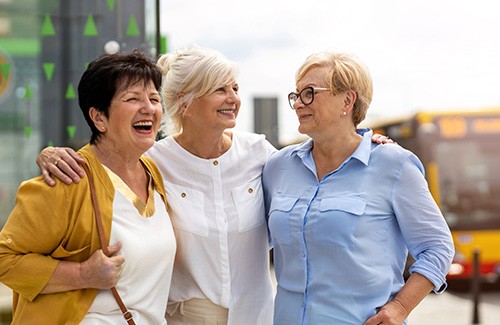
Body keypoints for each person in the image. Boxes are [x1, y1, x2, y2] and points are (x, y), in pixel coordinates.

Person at [35, 46, 392, 325]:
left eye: (235, 87)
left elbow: (322, 171)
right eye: (220, 89)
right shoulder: (153, 162)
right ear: (186, 104)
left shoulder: (261, 155)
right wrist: (50, 154)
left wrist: (364, 144)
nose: (233, 98)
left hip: (258, 317)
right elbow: (106, 160)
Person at [262, 51, 455, 325]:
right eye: (296, 95)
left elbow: (437, 247)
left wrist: (400, 308)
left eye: (309, 93)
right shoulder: (277, 166)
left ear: (347, 100)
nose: (298, 104)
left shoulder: (394, 164)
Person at [0, 50, 176, 324]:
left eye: (154, 99)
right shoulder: (66, 179)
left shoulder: (153, 171)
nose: (149, 108)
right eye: (132, 99)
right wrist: (83, 274)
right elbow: (4, 259)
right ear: (99, 118)